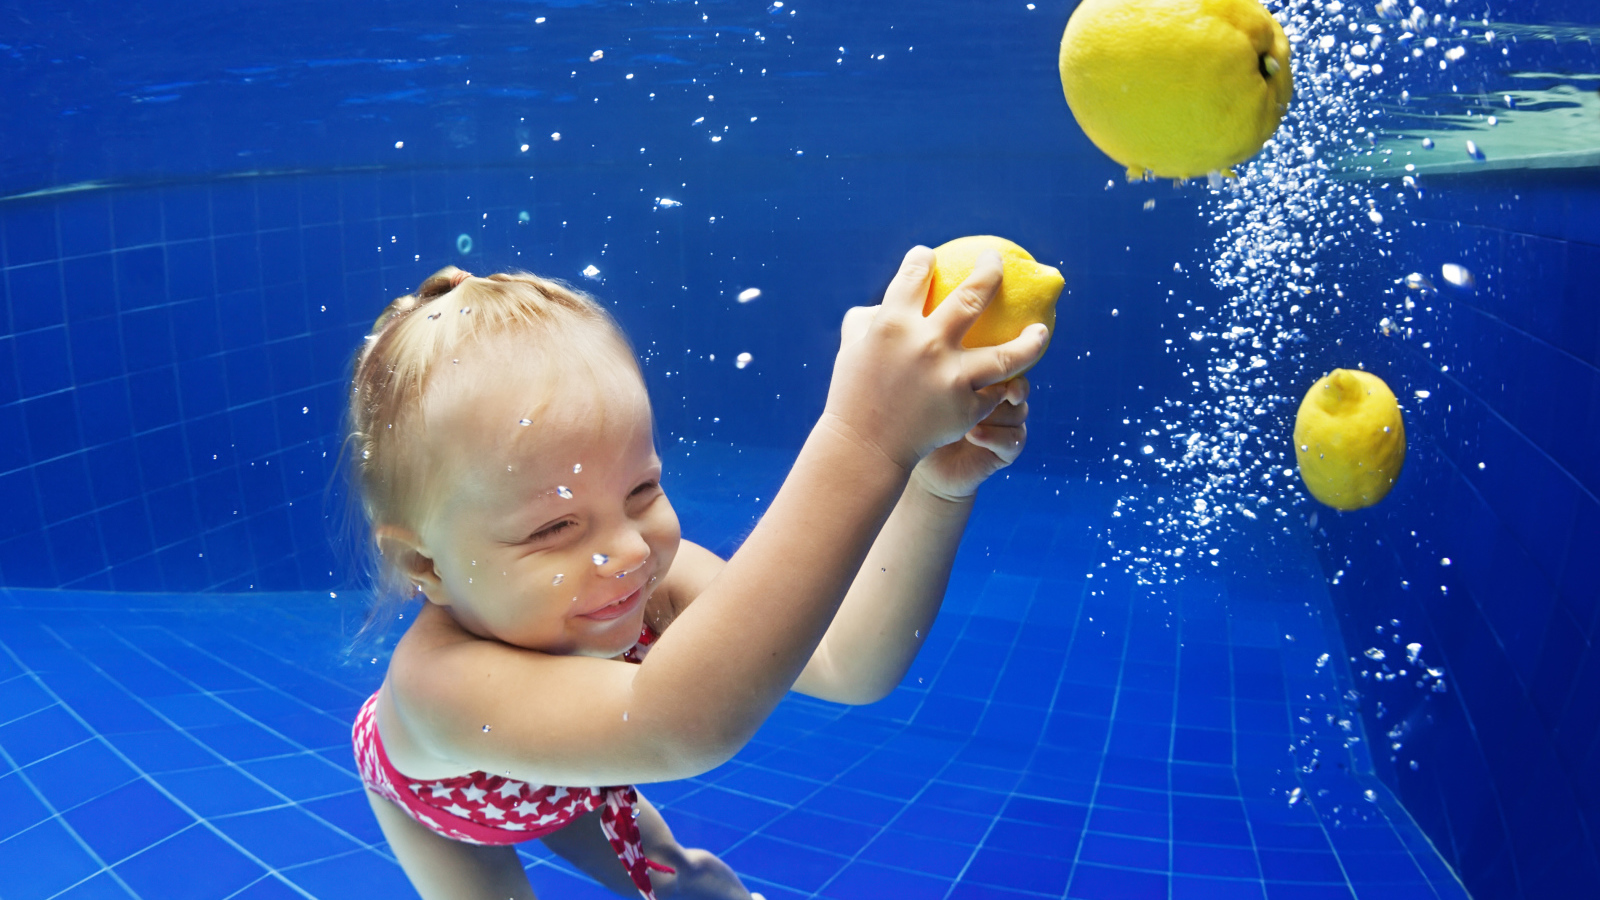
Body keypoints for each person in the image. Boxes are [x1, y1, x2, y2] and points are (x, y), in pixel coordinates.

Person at [345, 247, 1048, 899]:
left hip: (573, 778)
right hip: (452, 816)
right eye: (554, 527)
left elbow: (846, 666)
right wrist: (865, 439)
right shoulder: (438, 685)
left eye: (642, 491)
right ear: (422, 564)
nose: (626, 551)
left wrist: (930, 487)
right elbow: (676, 726)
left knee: (683, 882)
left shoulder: (647, 581)